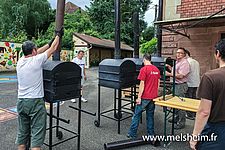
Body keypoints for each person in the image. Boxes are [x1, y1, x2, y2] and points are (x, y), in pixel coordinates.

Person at [16, 34, 60, 150]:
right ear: (34, 51)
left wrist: (48, 44)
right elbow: (54, 48)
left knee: (22, 135)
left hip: (21, 102)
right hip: (35, 103)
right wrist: (58, 35)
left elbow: (40, 51)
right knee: (36, 138)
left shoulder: (20, 61)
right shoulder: (37, 60)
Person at [190, 39, 225, 150]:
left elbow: (204, 112)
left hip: (217, 130)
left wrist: (195, 137)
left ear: (218, 54)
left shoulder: (210, 77)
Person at [127, 53, 160, 138]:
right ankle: (151, 134)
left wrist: (139, 97)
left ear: (144, 59)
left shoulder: (144, 69)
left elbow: (142, 84)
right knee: (150, 115)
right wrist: (155, 93)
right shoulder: (156, 69)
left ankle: (132, 134)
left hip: (145, 97)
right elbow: (158, 83)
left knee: (136, 114)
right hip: (153, 97)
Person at [166, 47, 190, 129]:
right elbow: (176, 72)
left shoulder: (185, 63)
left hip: (180, 86)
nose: (178, 54)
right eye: (177, 53)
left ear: (184, 54)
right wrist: (170, 68)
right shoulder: (177, 62)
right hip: (175, 85)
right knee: (175, 104)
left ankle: (181, 123)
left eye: (180, 53)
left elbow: (180, 76)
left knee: (180, 105)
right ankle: (176, 118)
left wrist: (168, 74)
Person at [185, 50, 200, 120]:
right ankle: (194, 113)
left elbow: (185, 73)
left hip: (190, 82)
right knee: (194, 98)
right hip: (196, 82)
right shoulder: (196, 61)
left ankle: (189, 115)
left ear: (186, 54)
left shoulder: (187, 62)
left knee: (189, 99)